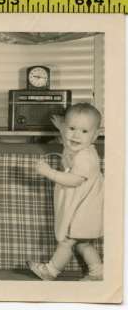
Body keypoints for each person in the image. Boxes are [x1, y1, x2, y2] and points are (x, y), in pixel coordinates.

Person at [28, 103, 104, 281]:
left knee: (68, 241)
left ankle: (50, 271)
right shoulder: (79, 148)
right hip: (83, 207)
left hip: (84, 209)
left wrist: (49, 172)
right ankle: (97, 272)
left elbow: (74, 180)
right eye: (71, 128)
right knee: (82, 243)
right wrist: (62, 128)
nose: (76, 135)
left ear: (95, 135)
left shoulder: (87, 157)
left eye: (84, 131)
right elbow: (70, 143)